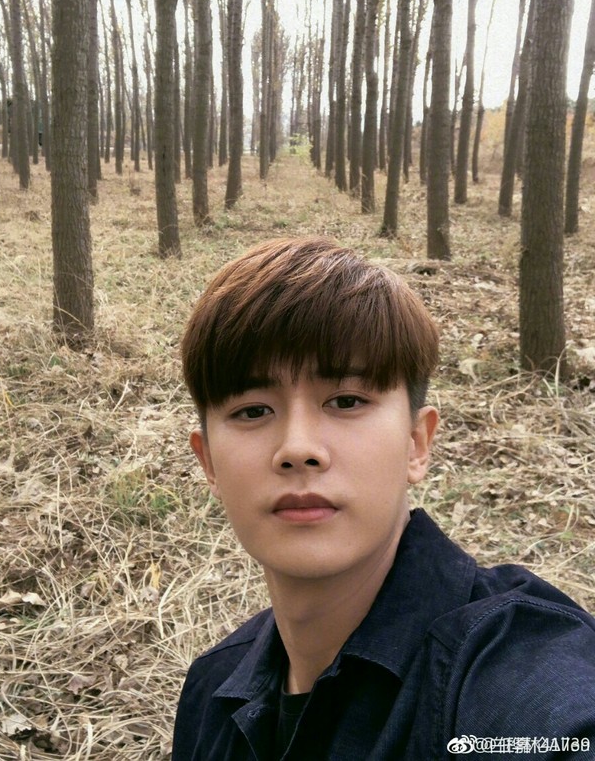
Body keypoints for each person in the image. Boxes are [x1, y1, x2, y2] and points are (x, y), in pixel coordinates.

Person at [172, 237, 595, 760]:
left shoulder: (515, 666)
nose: (298, 449)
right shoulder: (211, 691)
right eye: (253, 411)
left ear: (416, 443)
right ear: (209, 462)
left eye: (346, 401)